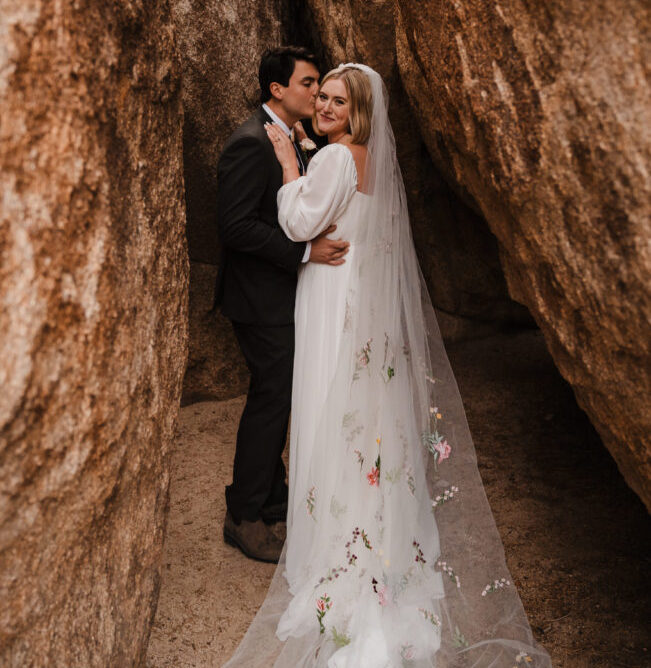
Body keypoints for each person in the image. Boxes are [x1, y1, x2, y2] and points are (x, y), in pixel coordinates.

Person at [223, 64, 552, 667]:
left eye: (337, 101)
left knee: (326, 404)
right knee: (360, 408)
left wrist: (293, 166)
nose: (323, 107)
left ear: (359, 110)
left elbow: (299, 223)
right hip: (360, 295)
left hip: (328, 295)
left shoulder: (331, 160)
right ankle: (374, 523)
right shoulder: (371, 160)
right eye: (320, 96)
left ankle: (332, 541)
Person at [215, 46, 350, 564]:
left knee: (277, 397)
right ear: (278, 89)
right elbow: (235, 226)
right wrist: (304, 251)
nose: (317, 94)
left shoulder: (290, 137)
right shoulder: (250, 143)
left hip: (276, 295)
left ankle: (271, 499)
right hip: (259, 299)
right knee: (271, 401)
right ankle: (244, 516)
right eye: (310, 83)